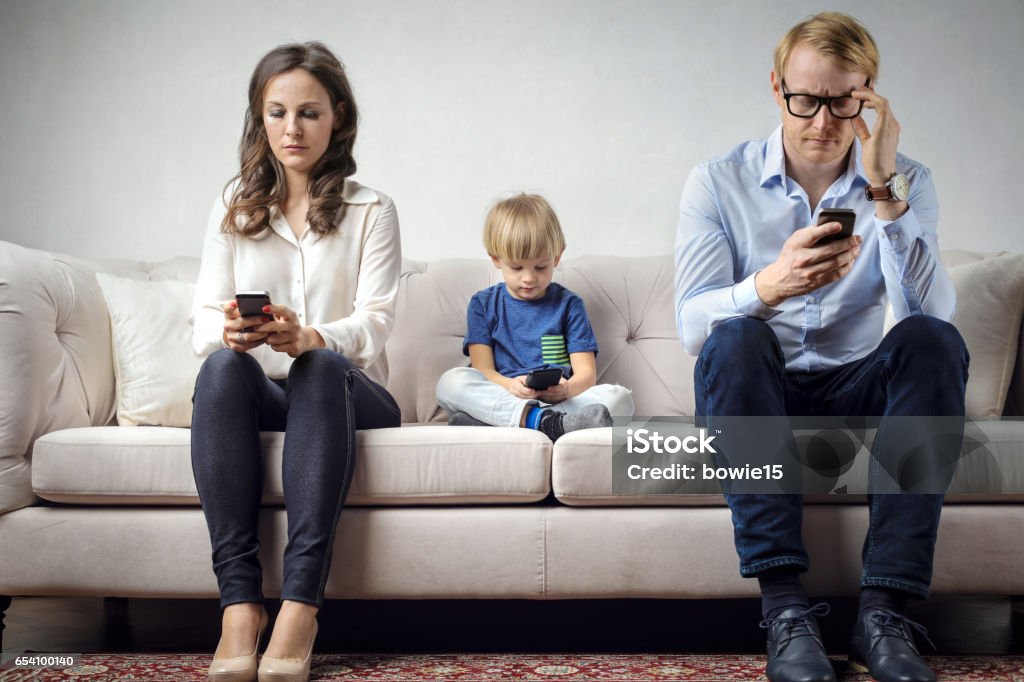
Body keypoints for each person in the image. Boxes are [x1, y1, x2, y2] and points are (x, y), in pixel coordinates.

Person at [674, 12, 968, 682]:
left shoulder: (904, 180)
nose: (823, 123)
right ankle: (784, 610)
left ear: (870, 99)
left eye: (845, 102)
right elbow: (694, 329)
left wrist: (884, 191)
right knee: (735, 338)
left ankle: (884, 614)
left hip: (855, 384)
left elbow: (932, 317)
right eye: (806, 100)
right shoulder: (717, 182)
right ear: (777, 89)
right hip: (757, 385)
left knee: (930, 340)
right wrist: (768, 287)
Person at [190, 42, 402, 682]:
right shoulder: (233, 207)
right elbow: (201, 319)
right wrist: (228, 333)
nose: (292, 129)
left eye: (309, 113)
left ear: (337, 117)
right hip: (267, 391)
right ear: (260, 118)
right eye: (277, 112)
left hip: (351, 392)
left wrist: (312, 337)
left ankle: (301, 607)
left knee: (318, 367)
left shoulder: (372, 209)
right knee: (222, 371)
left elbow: (377, 323)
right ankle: (239, 609)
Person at [436, 193, 634, 439]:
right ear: (496, 259)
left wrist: (566, 389)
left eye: (541, 267)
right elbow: (483, 369)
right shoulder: (483, 304)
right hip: (506, 395)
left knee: (621, 399)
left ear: (557, 257)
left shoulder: (569, 305)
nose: (529, 278)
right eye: (517, 268)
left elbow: (586, 375)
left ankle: (509, 421)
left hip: (559, 402)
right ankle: (544, 423)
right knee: (450, 383)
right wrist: (510, 385)